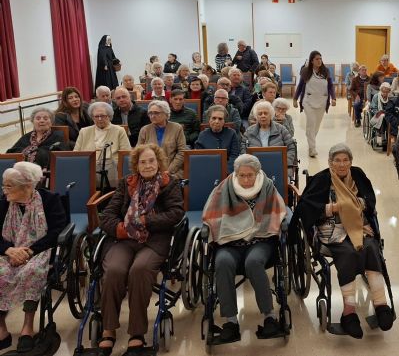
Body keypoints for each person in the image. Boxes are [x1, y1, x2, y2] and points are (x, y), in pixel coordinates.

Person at [291, 143, 394, 338]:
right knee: (347, 253)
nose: (341, 164)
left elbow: (370, 201)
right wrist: (336, 208)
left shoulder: (358, 175)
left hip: (360, 227)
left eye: (345, 160)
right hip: (333, 230)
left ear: (351, 161)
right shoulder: (322, 179)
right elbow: (307, 209)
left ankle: (381, 305)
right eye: (337, 160)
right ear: (330, 162)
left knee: (371, 248)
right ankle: (349, 313)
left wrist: (355, 205)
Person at [97, 144, 185, 354]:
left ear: (159, 162)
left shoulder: (169, 183)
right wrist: (120, 229)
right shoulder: (125, 184)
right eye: (143, 162)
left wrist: (146, 221)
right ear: (136, 165)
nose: (147, 165)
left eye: (151, 161)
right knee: (114, 271)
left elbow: (176, 214)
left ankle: (136, 332)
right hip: (125, 239)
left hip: (156, 240)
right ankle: (108, 328)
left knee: (140, 270)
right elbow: (107, 215)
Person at [202, 154, 287, 342]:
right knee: (222, 263)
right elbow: (210, 212)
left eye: (250, 175)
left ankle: (269, 317)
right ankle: (231, 321)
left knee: (254, 263)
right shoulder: (225, 187)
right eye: (242, 175)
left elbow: (279, 210)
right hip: (230, 242)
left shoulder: (266, 186)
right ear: (236, 173)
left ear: (257, 173)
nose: (246, 179)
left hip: (260, 240)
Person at [0, 162, 67, 353]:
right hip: (9, 252)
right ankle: (2, 330)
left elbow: (56, 231)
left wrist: (29, 251)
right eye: (4, 185)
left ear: (27, 186)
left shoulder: (49, 199)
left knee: (32, 270)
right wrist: (9, 250)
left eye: (9, 186)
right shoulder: (4, 203)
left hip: (40, 251)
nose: (4, 190)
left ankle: (27, 328)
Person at [74, 102, 131, 188]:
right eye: (96, 116)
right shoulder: (84, 131)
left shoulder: (119, 131)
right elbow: (76, 154)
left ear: (109, 116)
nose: (100, 119)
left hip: (111, 171)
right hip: (87, 169)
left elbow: (126, 154)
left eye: (103, 116)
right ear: (92, 117)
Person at [293, 50, 336, 158]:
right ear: (312, 60)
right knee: (311, 123)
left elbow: (330, 86)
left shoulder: (326, 71)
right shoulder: (306, 72)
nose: (319, 61)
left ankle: (310, 142)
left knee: (316, 126)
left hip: (322, 101)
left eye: (320, 58)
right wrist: (295, 99)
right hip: (308, 101)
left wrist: (333, 98)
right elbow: (300, 86)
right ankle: (312, 148)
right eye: (317, 59)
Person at [138, 100, 186, 178]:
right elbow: (138, 153)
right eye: (150, 113)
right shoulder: (145, 130)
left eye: (156, 113)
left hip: (173, 171)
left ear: (166, 114)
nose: (152, 116)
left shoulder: (177, 128)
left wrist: (169, 170)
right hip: (149, 171)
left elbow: (182, 152)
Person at [244, 102, 296, 167]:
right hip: (255, 167)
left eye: (265, 113)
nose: (263, 116)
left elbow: (291, 148)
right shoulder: (249, 131)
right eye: (260, 114)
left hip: (278, 165)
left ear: (271, 115)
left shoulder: (281, 129)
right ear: (256, 116)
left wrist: (285, 163)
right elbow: (243, 151)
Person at [195, 106, 241, 174]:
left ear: (224, 121)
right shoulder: (202, 135)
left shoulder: (232, 133)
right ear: (209, 120)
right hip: (207, 170)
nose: (217, 121)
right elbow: (200, 158)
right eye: (214, 118)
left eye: (220, 119)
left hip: (228, 172)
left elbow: (234, 155)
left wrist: (226, 172)